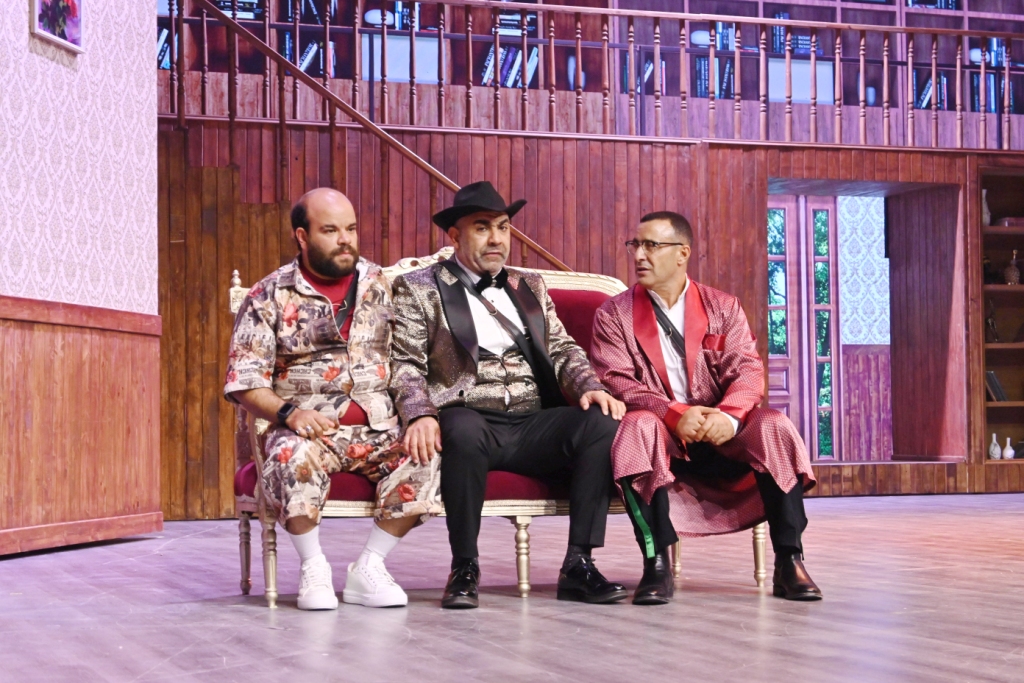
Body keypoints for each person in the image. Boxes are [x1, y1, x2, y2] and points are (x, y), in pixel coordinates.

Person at [389, 181, 628, 609]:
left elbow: (562, 348)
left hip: (533, 420)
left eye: (502, 227)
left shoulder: (528, 285)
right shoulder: (420, 287)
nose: (497, 238)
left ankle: (579, 563)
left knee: (601, 423)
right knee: (461, 428)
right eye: (482, 227)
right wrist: (420, 413)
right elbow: (405, 363)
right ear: (455, 236)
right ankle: (465, 567)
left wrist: (590, 387)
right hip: (470, 415)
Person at [590, 211, 822, 605]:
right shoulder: (614, 314)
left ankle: (789, 560)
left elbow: (747, 370)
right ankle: (655, 563)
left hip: (723, 437)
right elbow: (617, 380)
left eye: (651, 245)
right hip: (663, 437)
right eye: (636, 245)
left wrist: (729, 416)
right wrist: (673, 414)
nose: (640, 255)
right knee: (637, 426)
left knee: (774, 424)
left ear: (682, 253)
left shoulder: (723, 307)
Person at [225, 188, 440, 610]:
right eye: (330, 230)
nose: (345, 240)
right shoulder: (268, 294)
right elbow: (244, 380)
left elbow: (409, 360)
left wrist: (420, 414)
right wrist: (289, 413)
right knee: (289, 456)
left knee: (427, 452)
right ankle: (313, 567)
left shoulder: (382, 285)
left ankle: (369, 567)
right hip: (308, 430)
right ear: (302, 237)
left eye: (351, 229)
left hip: (380, 427)